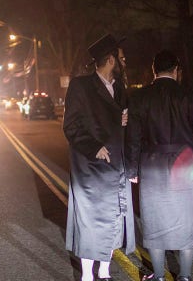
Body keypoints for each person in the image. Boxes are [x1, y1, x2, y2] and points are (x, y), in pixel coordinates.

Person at [125, 50, 193, 281]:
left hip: (152, 165)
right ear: (176, 70)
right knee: (188, 221)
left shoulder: (140, 97)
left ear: (154, 71)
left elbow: (133, 136)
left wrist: (132, 169)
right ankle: (184, 276)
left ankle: (158, 275)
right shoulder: (188, 94)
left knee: (154, 221)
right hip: (185, 164)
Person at [63, 34, 134, 281]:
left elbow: (120, 121)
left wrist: (124, 121)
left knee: (114, 217)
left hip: (116, 166)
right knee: (91, 223)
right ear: (111, 59)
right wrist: (94, 147)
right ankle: (86, 274)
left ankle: (104, 271)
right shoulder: (80, 86)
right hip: (91, 168)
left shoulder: (121, 88)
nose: (125, 63)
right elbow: (71, 126)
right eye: (121, 58)